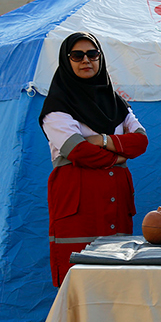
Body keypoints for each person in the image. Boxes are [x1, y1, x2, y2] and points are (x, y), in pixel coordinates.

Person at [40, 32, 148, 286]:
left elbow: (141, 141)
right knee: (78, 278)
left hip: (116, 199)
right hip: (78, 203)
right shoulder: (56, 106)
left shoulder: (117, 104)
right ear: (67, 61)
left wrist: (101, 141)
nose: (86, 60)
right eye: (77, 55)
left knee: (117, 276)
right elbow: (78, 151)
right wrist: (120, 157)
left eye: (93, 54)